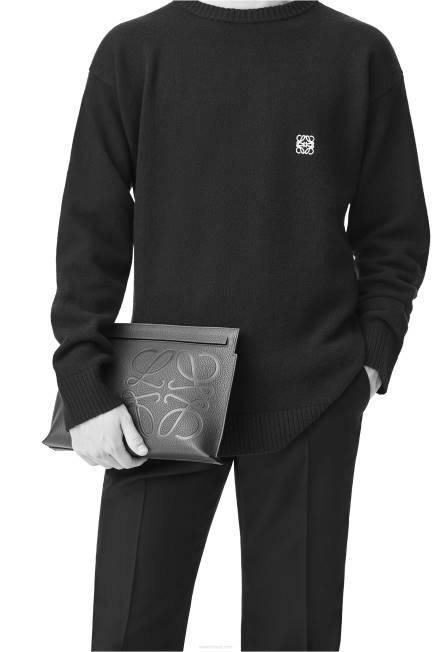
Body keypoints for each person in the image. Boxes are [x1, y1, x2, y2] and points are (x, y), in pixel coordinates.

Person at [51, 1, 429, 650]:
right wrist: (84, 382)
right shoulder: (135, 51)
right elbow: (92, 231)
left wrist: (372, 356)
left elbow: (395, 228)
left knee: (295, 638)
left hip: (314, 383)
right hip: (164, 388)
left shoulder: (357, 52)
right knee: (128, 632)